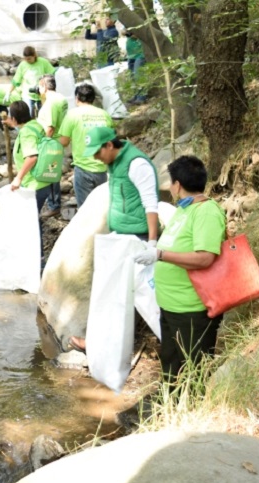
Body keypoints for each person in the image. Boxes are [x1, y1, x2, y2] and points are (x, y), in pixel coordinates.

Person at [66, 128, 159, 353]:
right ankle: (101, 345)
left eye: (97, 153)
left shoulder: (137, 164)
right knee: (108, 291)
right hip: (121, 236)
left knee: (147, 296)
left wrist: (152, 243)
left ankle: (177, 343)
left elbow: (150, 203)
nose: (95, 158)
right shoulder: (113, 164)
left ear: (109, 145)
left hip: (138, 238)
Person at [133, 155, 226, 382]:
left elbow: (205, 258)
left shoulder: (206, 212)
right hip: (171, 306)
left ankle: (191, 411)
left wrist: (160, 254)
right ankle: (170, 408)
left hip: (192, 309)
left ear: (177, 185)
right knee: (172, 365)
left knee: (193, 369)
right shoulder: (183, 211)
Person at [7, 100, 53, 263]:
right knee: (32, 219)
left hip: (34, 184)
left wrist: (18, 178)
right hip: (43, 181)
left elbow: (32, 156)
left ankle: (36, 259)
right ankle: (34, 256)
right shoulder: (35, 125)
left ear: (14, 118)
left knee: (30, 221)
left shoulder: (26, 132)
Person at [58, 83, 114, 207]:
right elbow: (111, 139)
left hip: (83, 167)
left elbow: (64, 141)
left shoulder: (72, 115)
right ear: (93, 99)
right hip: (103, 168)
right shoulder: (104, 115)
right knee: (102, 205)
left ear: (77, 98)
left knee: (85, 207)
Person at [35, 74, 69, 219]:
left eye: (39, 85)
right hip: (58, 140)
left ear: (43, 85)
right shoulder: (60, 98)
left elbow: (50, 127)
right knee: (52, 174)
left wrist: (43, 145)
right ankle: (53, 203)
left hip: (51, 143)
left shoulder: (51, 103)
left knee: (50, 175)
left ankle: (54, 205)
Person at [9, 46, 55, 119]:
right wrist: (9, 92)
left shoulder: (43, 62)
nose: (28, 61)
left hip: (42, 93)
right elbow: (16, 80)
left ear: (34, 55)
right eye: (26, 59)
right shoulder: (22, 65)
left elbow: (52, 74)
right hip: (28, 94)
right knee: (28, 114)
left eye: (29, 58)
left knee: (43, 115)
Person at [124, 30, 147, 104]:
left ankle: (141, 97)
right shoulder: (127, 23)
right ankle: (136, 96)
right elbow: (122, 32)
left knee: (138, 76)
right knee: (132, 76)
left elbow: (138, 35)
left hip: (139, 54)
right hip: (131, 55)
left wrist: (132, 34)